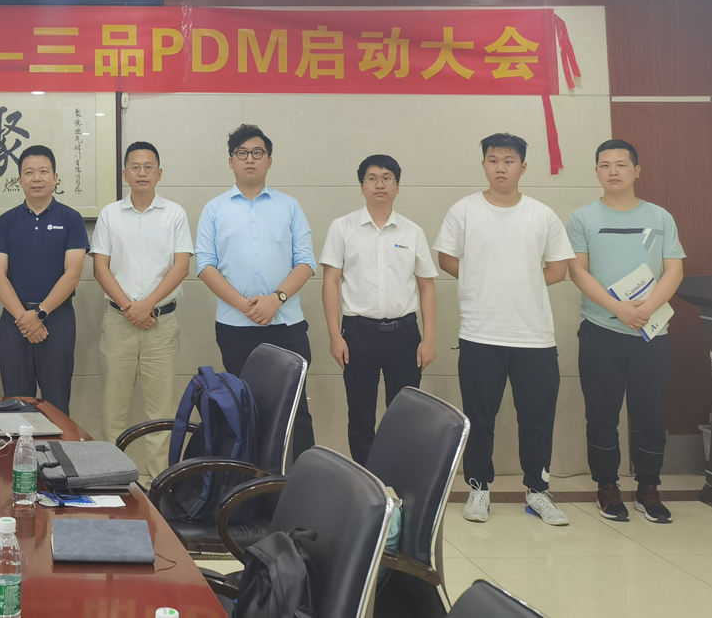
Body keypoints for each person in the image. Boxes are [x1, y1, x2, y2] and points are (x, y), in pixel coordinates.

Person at [435, 132, 574, 527]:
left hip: (534, 336)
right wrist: (484, 280)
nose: (501, 167)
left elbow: (558, 269)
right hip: (480, 334)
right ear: (484, 164)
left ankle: (538, 491)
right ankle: (479, 488)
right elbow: (446, 258)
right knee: (479, 417)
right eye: (493, 160)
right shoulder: (464, 210)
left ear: (523, 167)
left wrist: (519, 283)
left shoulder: (541, 214)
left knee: (537, 418)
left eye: (509, 161)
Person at [567, 139, 686, 525]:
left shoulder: (660, 217)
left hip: (652, 333)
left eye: (621, 164)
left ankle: (649, 489)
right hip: (600, 330)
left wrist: (647, 309)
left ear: (637, 171)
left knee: (650, 414)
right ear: (596, 172)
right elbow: (578, 270)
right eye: (605, 165)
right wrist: (618, 308)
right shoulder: (582, 218)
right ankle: (607, 488)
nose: (613, 171)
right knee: (602, 415)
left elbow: (674, 269)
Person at [195, 123, 317, 457]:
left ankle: (299, 481)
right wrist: (244, 305)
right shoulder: (214, 209)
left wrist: (275, 300)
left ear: (269, 161)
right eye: (242, 153)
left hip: (287, 325)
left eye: (257, 153)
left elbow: (306, 262)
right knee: (243, 409)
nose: (250, 159)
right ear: (231, 161)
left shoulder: (289, 206)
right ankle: (250, 485)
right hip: (236, 328)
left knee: (295, 409)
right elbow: (205, 265)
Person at [320, 154, 439, 467]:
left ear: (398, 186)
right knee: (360, 414)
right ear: (362, 186)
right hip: (358, 334)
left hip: (405, 335)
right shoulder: (342, 228)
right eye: (372, 178)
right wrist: (334, 335)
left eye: (387, 178)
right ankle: (366, 479)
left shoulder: (412, 232)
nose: (380, 184)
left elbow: (427, 286)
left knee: (404, 414)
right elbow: (330, 282)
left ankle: (398, 479)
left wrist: (429, 339)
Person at [91, 140, 193, 485]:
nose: (142, 172)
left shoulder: (175, 214)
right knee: (113, 409)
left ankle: (156, 485)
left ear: (159, 173)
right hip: (118, 323)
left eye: (149, 166)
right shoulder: (109, 214)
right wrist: (129, 308)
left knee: (161, 413)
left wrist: (146, 305)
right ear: (125, 174)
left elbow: (181, 267)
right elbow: (100, 269)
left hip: (161, 325)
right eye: (135, 167)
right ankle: (111, 480)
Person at [0, 146, 89, 415]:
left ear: (55, 178)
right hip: (15, 322)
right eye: (29, 172)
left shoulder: (71, 219)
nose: (36, 178)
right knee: (15, 404)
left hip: (57, 320)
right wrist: (25, 318)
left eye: (43, 171)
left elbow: (73, 274)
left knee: (57, 404)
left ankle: (58, 446)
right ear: (19, 180)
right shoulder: (6, 222)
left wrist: (40, 314)